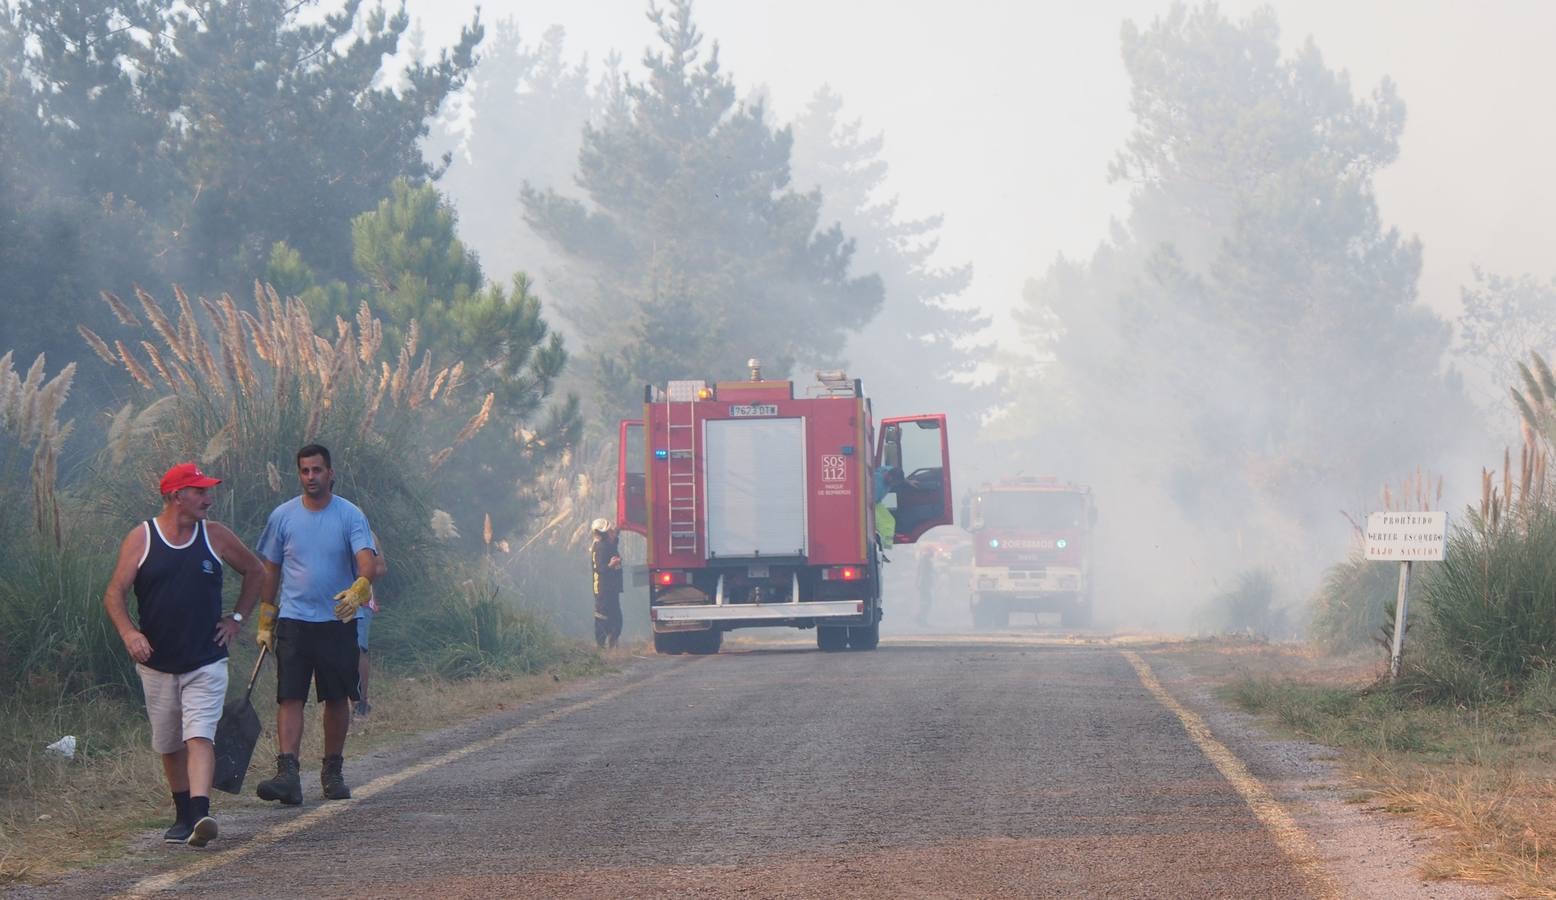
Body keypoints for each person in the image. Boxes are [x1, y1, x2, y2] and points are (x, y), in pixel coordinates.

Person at [103, 462, 265, 847]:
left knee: (200, 735)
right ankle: (183, 815)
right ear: (177, 496)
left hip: (206, 659)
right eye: (201, 492)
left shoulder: (216, 536)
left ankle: (201, 812)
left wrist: (238, 618)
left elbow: (256, 571)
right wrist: (129, 633)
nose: (209, 499)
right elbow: (114, 594)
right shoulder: (142, 538)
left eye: (208, 492)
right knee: (170, 742)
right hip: (157, 663)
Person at [254, 444, 378, 806]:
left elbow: (366, 560)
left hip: (337, 619)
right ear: (299, 475)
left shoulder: (350, 515)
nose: (312, 477)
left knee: (336, 697)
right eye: (305, 471)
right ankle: (287, 773)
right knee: (289, 695)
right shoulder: (283, 516)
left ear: (331, 473)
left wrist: (359, 588)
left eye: (318, 470)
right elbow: (271, 567)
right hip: (294, 620)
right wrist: (266, 616)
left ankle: (332, 771)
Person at [354, 533, 387, 718]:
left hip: (362, 602)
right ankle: (343, 701)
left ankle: (361, 701)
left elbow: (381, 568)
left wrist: (360, 575)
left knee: (359, 649)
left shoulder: (367, 535)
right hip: (333, 604)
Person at [590, 518, 623, 649]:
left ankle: (612, 642)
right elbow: (600, 568)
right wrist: (611, 565)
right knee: (603, 616)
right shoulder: (600, 548)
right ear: (604, 533)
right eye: (609, 530)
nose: (612, 531)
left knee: (615, 617)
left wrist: (618, 531)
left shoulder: (605, 544)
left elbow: (614, 542)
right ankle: (601, 645)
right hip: (604, 589)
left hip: (610, 588)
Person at [915, 546, 936, 627]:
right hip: (925, 586)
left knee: (925, 603)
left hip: (923, 585)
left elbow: (919, 573)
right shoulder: (926, 562)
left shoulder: (924, 561)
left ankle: (921, 619)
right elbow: (924, 574)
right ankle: (921, 619)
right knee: (926, 603)